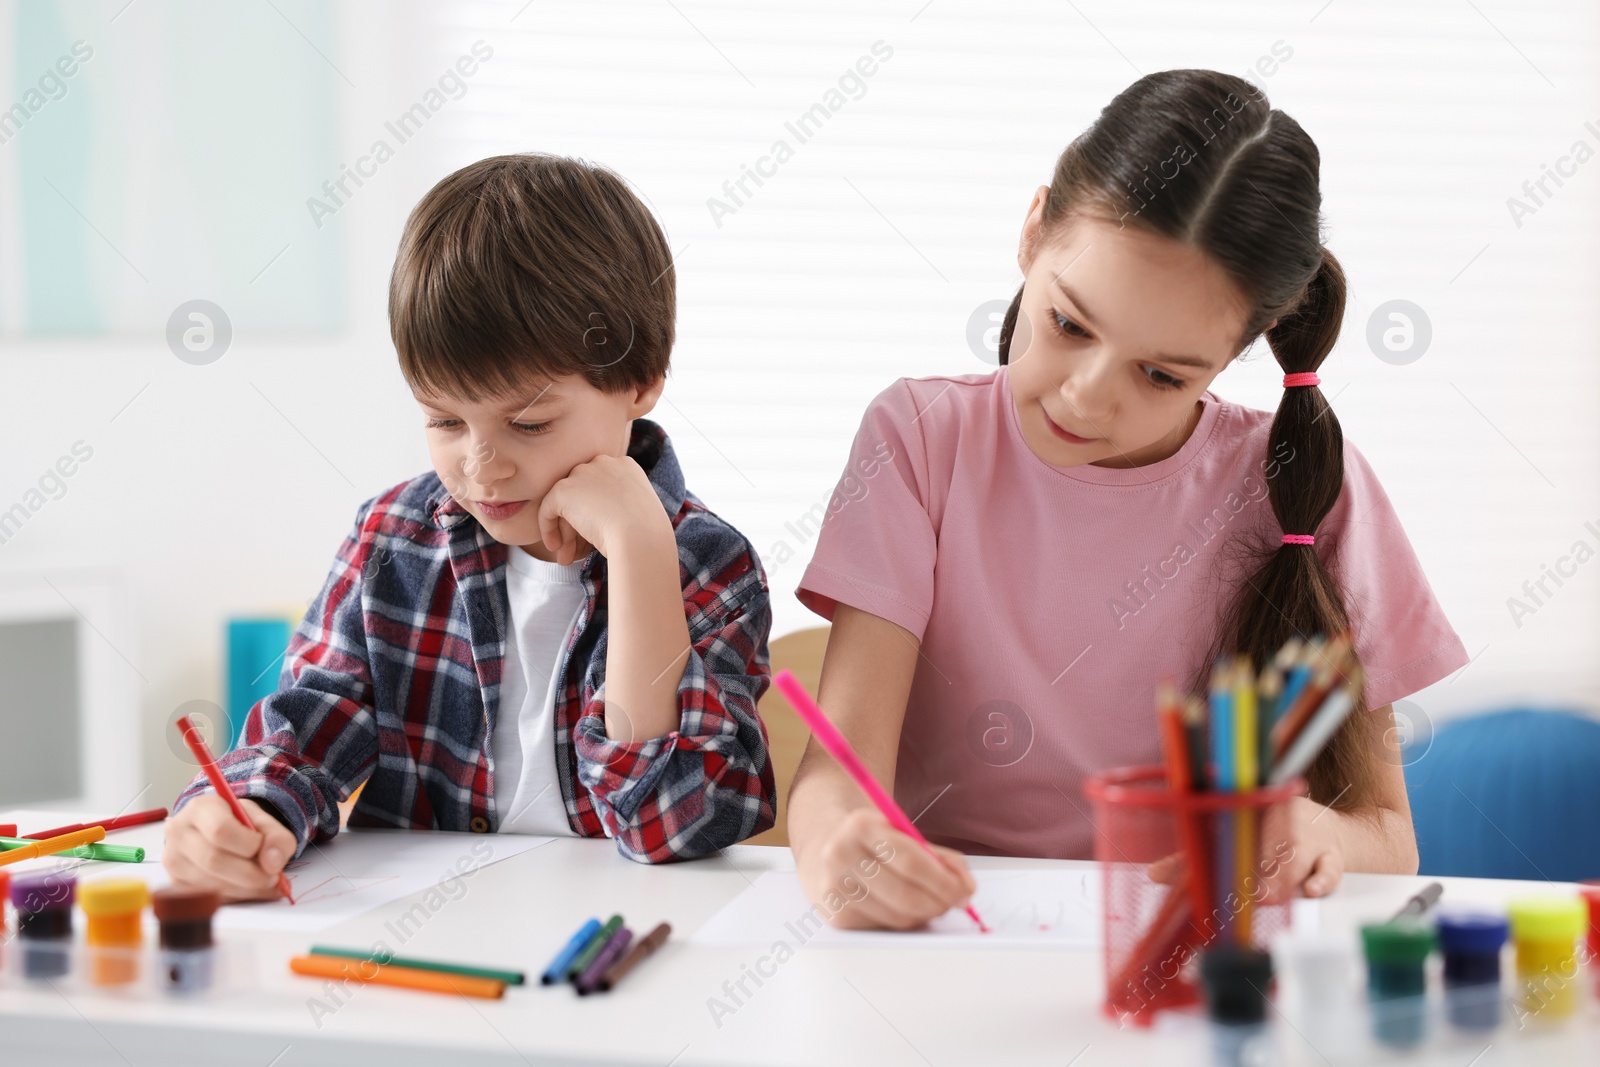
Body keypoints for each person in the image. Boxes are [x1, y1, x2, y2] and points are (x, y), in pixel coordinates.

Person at [787, 69, 1468, 930]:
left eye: (1160, 374)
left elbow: (1389, 836)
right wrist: (833, 843)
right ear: (1033, 232)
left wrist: (1320, 827)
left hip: (1196, 949)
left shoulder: (1304, 481)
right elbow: (837, 768)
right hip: (955, 936)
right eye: (1069, 324)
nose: (1085, 397)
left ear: (1244, 347)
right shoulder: (919, 437)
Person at [165, 154, 776, 900]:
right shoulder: (394, 538)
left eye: (529, 423)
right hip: (426, 941)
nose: (483, 466)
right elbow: (307, 730)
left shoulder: (708, 562)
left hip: (621, 940)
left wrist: (641, 553)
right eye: (444, 419)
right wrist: (246, 813)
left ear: (640, 382)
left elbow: (671, 819)